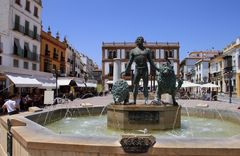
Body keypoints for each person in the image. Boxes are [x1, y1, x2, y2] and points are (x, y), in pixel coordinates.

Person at [123, 36, 159, 104]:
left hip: (145, 69)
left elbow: (151, 61)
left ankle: (146, 100)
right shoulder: (133, 51)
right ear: (136, 41)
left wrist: (157, 69)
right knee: (135, 85)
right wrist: (126, 70)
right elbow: (130, 62)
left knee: (145, 85)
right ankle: (134, 100)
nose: (140, 40)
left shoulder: (147, 50)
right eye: (139, 39)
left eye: (141, 39)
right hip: (137, 69)